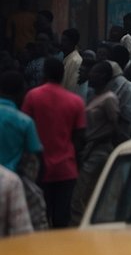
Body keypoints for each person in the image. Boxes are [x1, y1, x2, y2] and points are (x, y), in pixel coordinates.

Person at [20, 57, 85, 228]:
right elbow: (80, 137)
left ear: (45, 73)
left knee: (40, 218)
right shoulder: (75, 101)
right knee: (62, 220)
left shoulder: (33, 96)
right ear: (63, 74)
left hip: (39, 168)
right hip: (66, 168)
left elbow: (25, 129)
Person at [72, 62, 121, 224]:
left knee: (80, 194)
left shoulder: (109, 99)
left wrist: (93, 139)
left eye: (94, 73)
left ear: (104, 77)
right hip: (89, 149)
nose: (90, 75)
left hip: (99, 150)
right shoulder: (94, 96)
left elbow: (115, 126)